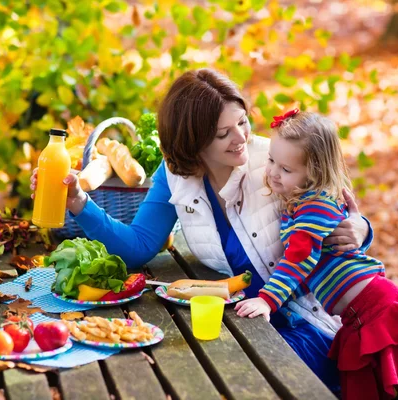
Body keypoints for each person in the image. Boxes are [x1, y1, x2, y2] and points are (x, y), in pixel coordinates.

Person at [31, 69, 372, 394]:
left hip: (305, 322)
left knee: (235, 380)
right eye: (224, 133)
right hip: (243, 319)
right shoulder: (175, 175)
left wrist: (361, 228)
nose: (241, 137)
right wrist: (77, 200)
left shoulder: (277, 161)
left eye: (242, 121)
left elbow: (332, 208)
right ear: (193, 142)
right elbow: (139, 246)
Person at [235, 109, 398, 399]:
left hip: (375, 309)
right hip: (354, 317)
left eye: (286, 169)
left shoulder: (315, 206)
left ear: (315, 172)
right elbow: (309, 272)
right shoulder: (298, 206)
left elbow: (300, 259)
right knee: (377, 387)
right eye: (272, 160)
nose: (273, 172)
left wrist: (267, 300)